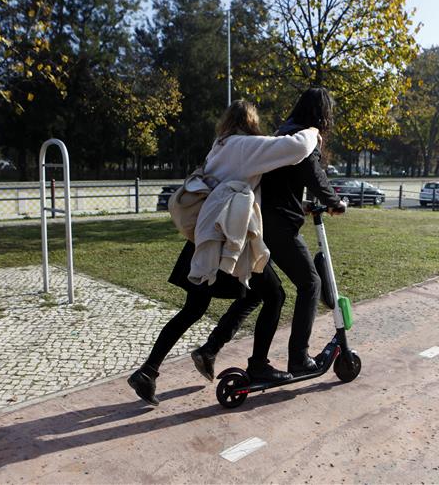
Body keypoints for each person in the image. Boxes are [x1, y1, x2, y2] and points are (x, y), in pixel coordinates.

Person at [128, 100, 320, 405]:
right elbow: (295, 148)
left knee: (196, 308)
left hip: (205, 239)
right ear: (250, 121)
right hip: (226, 241)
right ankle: (258, 365)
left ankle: (149, 370)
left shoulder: (218, 147)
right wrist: (312, 130)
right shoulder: (244, 146)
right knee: (275, 295)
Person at [259, 88, 347, 375]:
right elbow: (316, 176)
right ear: (322, 114)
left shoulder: (282, 133)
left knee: (266, 294)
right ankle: (298, 357)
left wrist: (306, 205)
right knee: (311, 284)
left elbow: (284, 184)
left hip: (264, 220)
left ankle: (217, 349)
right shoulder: (305, 138)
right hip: (281, 225)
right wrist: (336, 203)